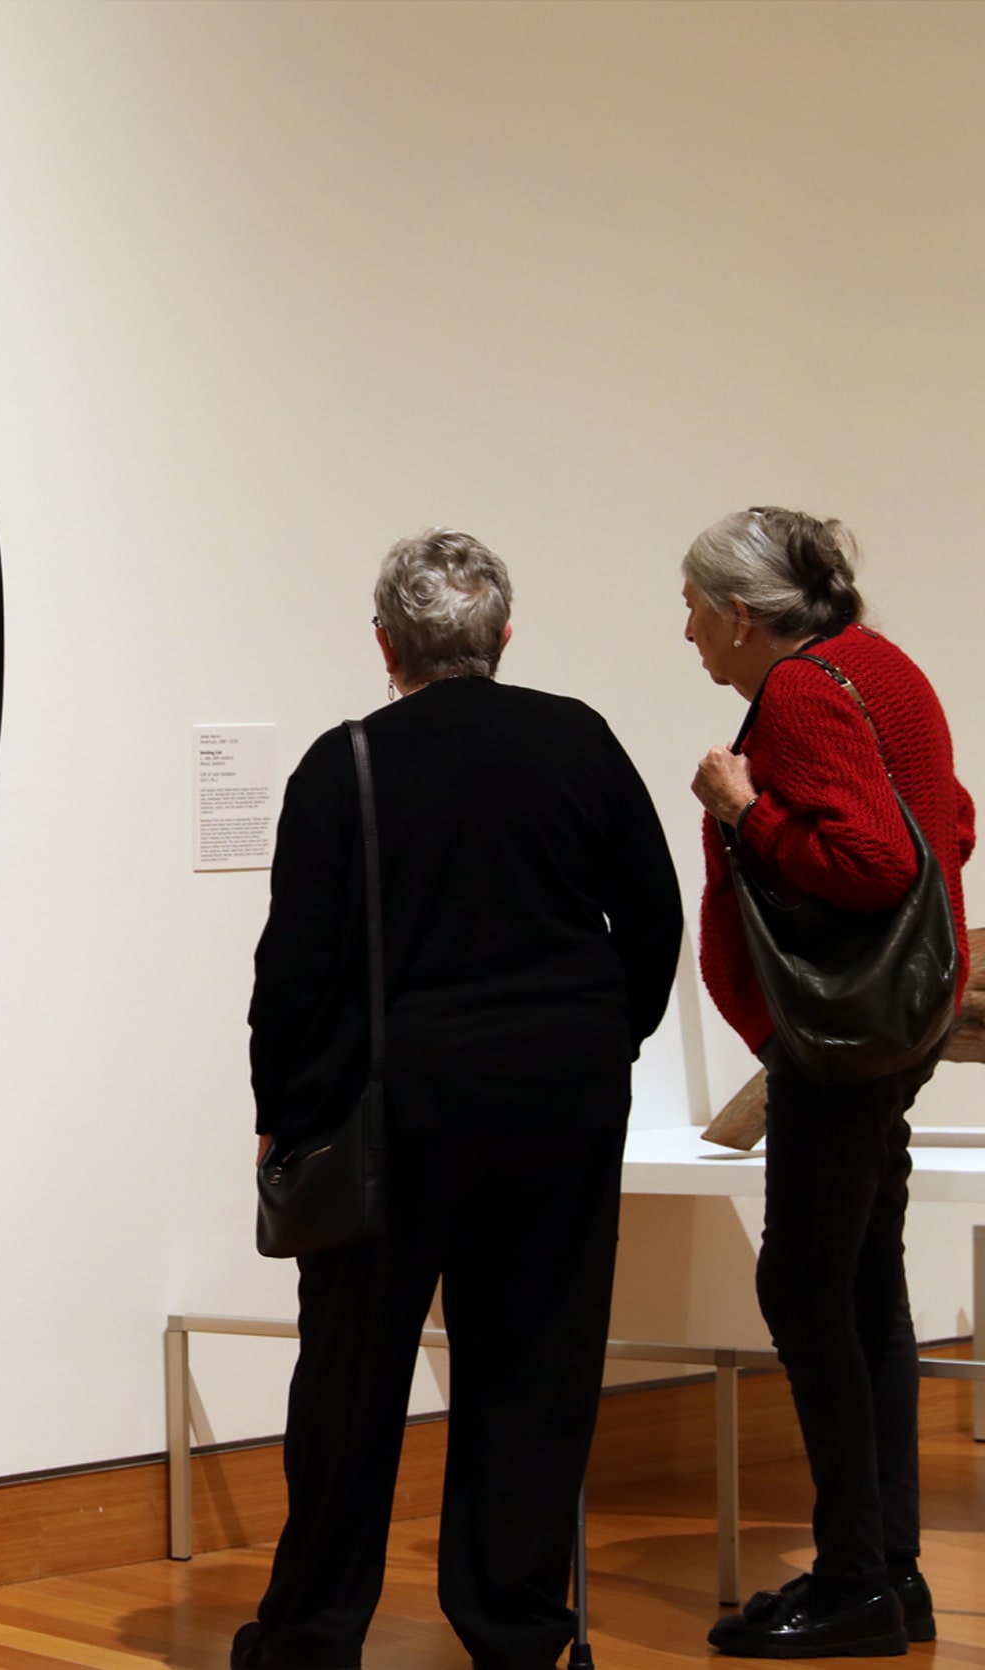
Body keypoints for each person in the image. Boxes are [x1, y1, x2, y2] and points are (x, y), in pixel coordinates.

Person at [235, 530, 682, 1670]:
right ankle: (519, 1631)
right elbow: (654, 917)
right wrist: (601, 1042)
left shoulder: (349, 765)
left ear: (385, 644)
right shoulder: (579, 739)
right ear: (504, 636)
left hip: (398, 1114)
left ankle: (311, 1635)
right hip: (561, 1106)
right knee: (534, 1370)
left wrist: (278, 1103)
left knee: (352, 1381)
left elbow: (294, 966)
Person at [682, 506, 973, 1657]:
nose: (687, 631)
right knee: (861, 1288)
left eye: (696, 608)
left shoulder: (802, 692)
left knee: (809, 1287)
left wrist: (747, 812)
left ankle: (859, 1573)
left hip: (837, 1046)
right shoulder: (882, 666)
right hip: (892, 1033)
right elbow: (951, 820)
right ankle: (886, 1574)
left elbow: (874, 857)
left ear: (744, 616)